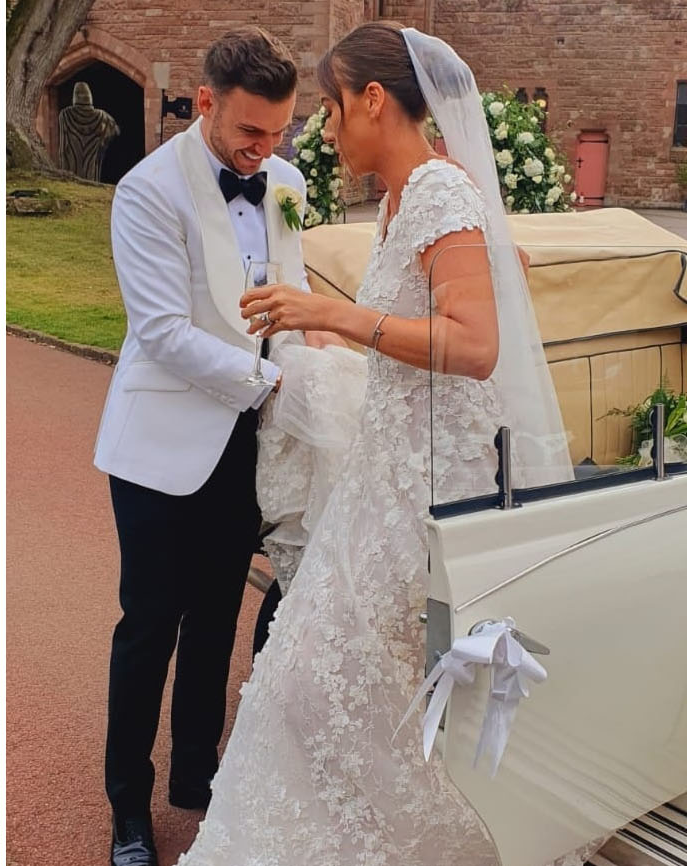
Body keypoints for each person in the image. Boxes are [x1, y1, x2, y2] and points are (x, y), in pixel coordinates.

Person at [172, 21, 596, 866]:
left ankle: (426, 840)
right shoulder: (401, 198)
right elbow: (403, 337)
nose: (324, 130)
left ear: (373, 99)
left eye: (330, 108)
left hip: (434, 487)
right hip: (383, 476)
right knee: (327, 678)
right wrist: (313, 340)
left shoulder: (441, 191)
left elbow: (474, 348)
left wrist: (335, 315)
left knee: (339, 677)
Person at [91, 26, 338, 866]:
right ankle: (127, 805)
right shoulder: (147, 189)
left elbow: (291, 299)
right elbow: (160, 331)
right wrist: (269, 384)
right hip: (161, 448)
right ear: (205, 105)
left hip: (250, 444)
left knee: (214, 624)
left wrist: (304, 377)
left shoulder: (287, 182)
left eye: (277, 134)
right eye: (248, 134)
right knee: (149, 625)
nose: (262, 151)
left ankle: (196, 782)